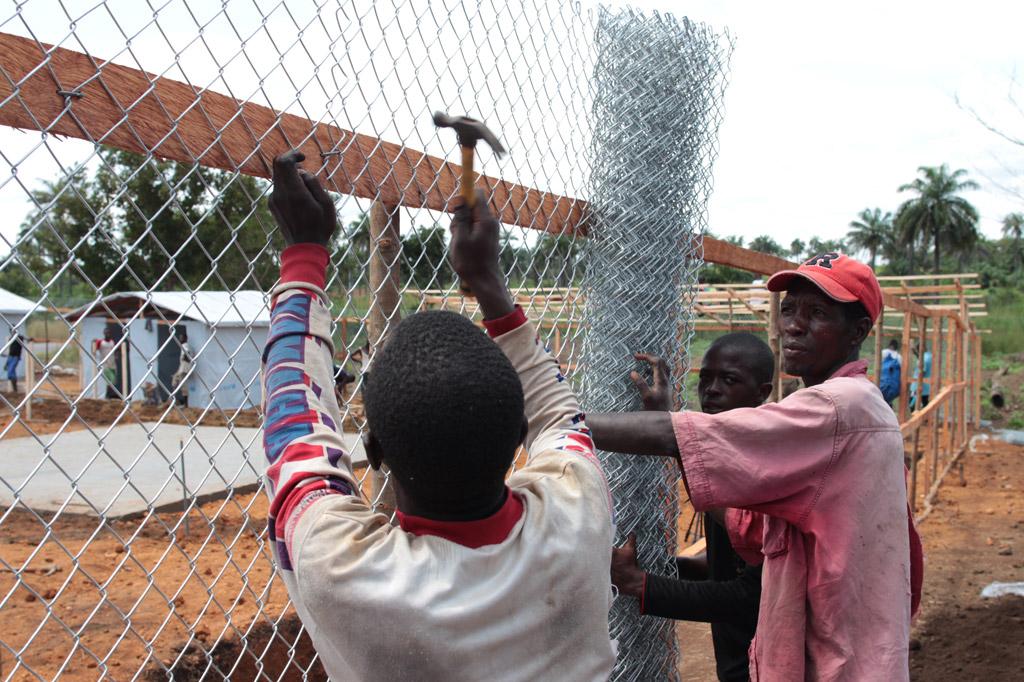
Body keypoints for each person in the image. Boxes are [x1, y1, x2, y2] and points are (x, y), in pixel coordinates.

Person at [260, 151, 616, 680]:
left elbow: (295, 424)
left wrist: (306, 252)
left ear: (374, 453)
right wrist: (487, 280)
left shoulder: (348, 575)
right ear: (519, 435)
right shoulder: (577, 511)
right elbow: (563, 418)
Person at [588, 252, 924, 681]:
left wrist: (560, 421)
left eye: (817, 313)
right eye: (789, 309)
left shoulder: (838, 406)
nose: (793, 326)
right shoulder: (856, 410)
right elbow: (751, 532)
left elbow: (680, 440)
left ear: (858, 331)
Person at [611, 332, 773, 682]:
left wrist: (640, 584)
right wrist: (667, 566)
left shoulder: (764, 471)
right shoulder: (723, 458)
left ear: (763, 392)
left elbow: (752, 595)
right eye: (706, 378)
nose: (711, 390)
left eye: (729, 380)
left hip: (765, 665)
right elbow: (726, 564)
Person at [169, 328, 194, 407]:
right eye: (180, 338)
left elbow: (187, 353)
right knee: (175, 379)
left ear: (185, 338)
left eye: (181, 338)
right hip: (183, 367)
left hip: (184, 367)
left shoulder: (185, 345)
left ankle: (184, 403)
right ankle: (174, 399)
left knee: (182, 384)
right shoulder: (186, 345)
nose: (180, 339)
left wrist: (185, 358)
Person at [93, 327, 118, 399]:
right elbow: (94, 350)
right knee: (110, 380)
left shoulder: (112, 342)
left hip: (112, 364)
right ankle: (108, 395)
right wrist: (94, 343)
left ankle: (109, 395)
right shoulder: (101, 342)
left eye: (109, 333)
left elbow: (116, 351)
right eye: (106, 333)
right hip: (105, 364)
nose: (108, 335)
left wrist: (116, 356)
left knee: (113, 381)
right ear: (104, 334)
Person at [909, 342, 932, 409]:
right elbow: (920, 358)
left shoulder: (923, 358)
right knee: (925, 404)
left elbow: (922, 371)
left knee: (911, 404)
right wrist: (915, 352)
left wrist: (918, 383)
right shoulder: (930, 356)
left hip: (917, 386)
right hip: (927, 387)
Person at [880, 339, 902, 407]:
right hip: (894, 385)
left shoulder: (884, 352)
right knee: (888, 400)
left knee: (881, 399)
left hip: (883, 382)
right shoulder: (899, 357)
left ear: (890, 345)